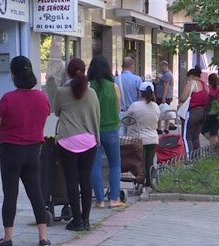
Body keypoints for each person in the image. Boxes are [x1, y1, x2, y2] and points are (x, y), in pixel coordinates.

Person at [0, 56, 50, 246]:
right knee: (36, 192)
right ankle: (43, 237)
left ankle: (7, 237)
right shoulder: (42, 98)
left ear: (13, 74)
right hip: (33, 151)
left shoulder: (9, 98)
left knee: (10, 194)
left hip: (11, 151)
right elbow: (44, 116)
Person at [53, 58, 100, 231]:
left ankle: (77, 220)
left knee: (71, 181)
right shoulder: (92, 93)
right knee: (85, 179)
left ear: (68, 72)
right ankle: (86, 220)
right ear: (84, 70)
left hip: (67, 140)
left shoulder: (61, 92)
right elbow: (96, 115)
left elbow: (57, 111)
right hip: (88, 140)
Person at [88, 55, 125, 209]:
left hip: (92, 130)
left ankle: (100, 200)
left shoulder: (88, 87)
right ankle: (114, 199)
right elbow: (117, 109)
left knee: (94, 165)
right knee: (115, 164)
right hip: (111, 129)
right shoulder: (114, 87)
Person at [125, 82, 160, 187]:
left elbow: (126, 120)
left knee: (140, 164)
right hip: (153, 139)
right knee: (149, 163)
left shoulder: (135, 106)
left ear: (140, 93)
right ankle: (149, 184)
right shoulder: (156, 107)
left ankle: (141, 183)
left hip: (139, 139)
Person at [179, 66, 209, 156]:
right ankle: (197, 157)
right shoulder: (205, 85)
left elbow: (183, 98)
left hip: (192, 112)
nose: (188, 80)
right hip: (202, 112)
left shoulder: (192, 83)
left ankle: (189, 159)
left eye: (188, 78)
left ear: (191, 76)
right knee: (195, 137)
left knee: (186, 137)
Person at [115, 57, 141, 136]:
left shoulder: (115, 79)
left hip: (120, 112)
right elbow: (141, 97)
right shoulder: (137, 79)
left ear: (122, 66)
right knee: (132, 139)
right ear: (132, 66)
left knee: (121, 138)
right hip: (133, 113)